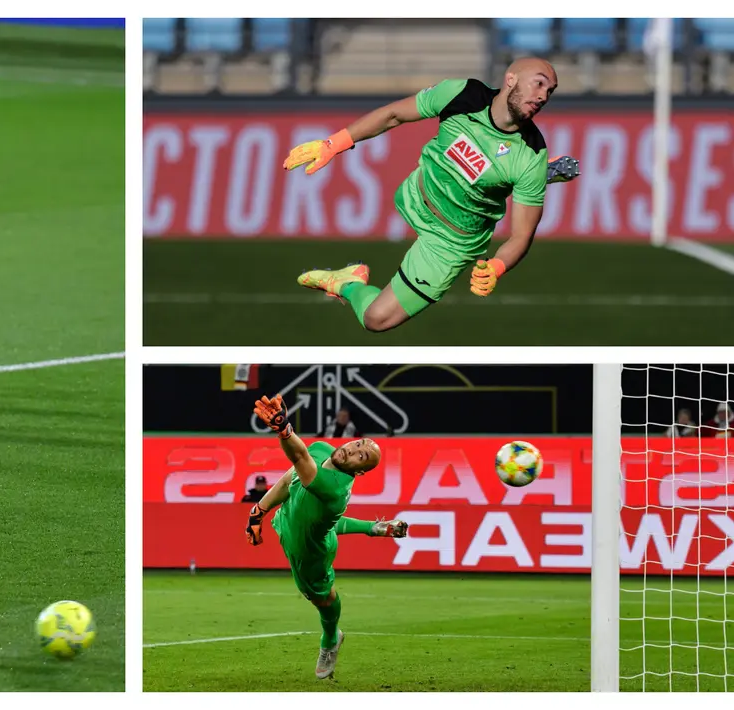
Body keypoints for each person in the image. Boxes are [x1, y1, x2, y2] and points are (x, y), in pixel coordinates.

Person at [284, 58, 581, 333]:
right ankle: (526, 180)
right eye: (539, 83)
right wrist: (333, 143)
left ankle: (346, 283)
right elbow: (393, 115)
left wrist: (496, 267)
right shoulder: (461, 94)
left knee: (377, 320)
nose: (543, 96)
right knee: (500, 172)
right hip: (416, 196)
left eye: (550, 91)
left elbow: (521, 237)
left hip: (452, 242)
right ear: (510, 78)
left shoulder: (531, 154)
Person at [246, 394, 408, 680]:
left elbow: (299, 456)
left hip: (311, 553)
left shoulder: (334, 490)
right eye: (358, 444)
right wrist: (260, 510)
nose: (353, 450)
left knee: (322, 598)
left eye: (362, 456)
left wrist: (285, 429)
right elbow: (288, 479)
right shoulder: (322, 447)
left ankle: (331, 638)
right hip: (289, 522)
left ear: (359, 470)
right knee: (317, 525)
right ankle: (375, 530)